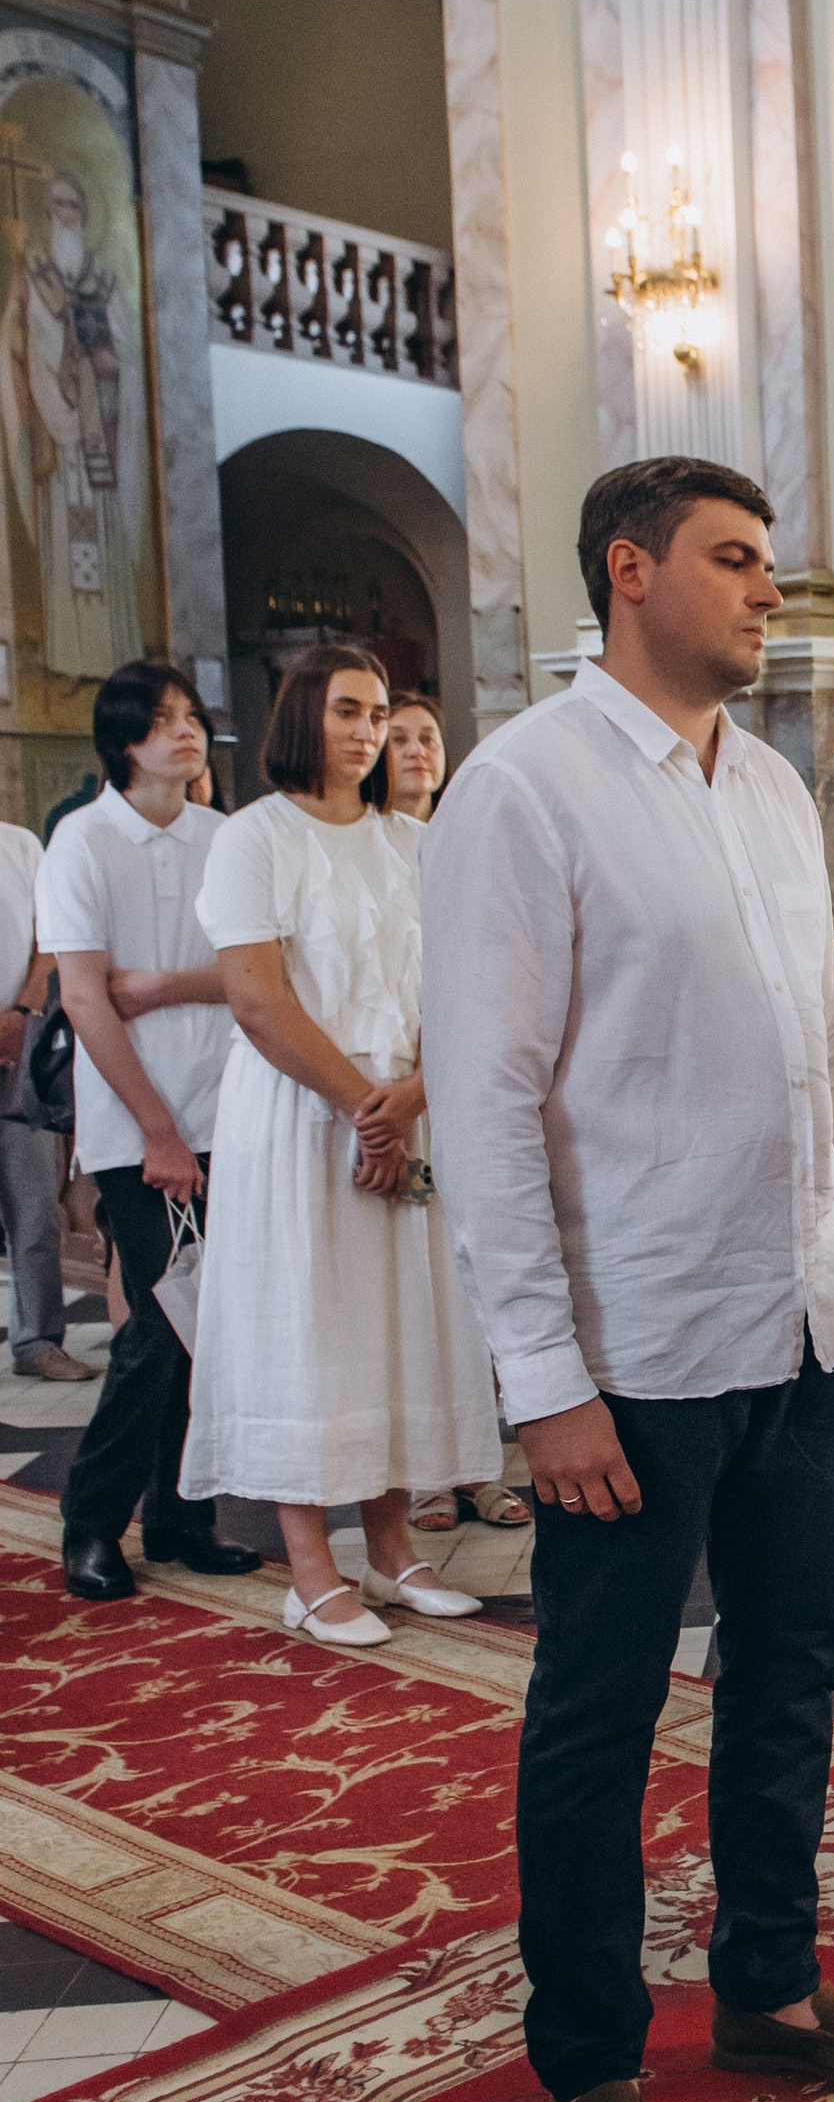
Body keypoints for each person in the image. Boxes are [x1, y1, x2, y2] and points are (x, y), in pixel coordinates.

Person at [423, 457, 834, 2102]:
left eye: (772, 564)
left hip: (792, 1317)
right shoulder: (527, 789)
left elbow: (831, 1052)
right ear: (628, 573)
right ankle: (587, 2063)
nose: (767, 591)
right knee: (599, 1710)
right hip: (635, 1339)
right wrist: (542, 1378)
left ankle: (772, 1986)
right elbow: (488, 1100)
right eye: (734, 562)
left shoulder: (778, 785)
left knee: (795, 1667)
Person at [177, 646, 500, 1645]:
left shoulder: (411, 839)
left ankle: (393, 1548)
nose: (367, 731)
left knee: (400, 1319)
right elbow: (256, 997)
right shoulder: (254, 837)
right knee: (311, 1322)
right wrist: (368, 1106)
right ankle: (310, 1566)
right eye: (347, 711)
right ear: (300, 719)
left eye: (376, 713)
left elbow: (461, 987)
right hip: (300, 1109)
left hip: (403, 1097)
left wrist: (409, 1097)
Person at [36, 660, 253, 1602]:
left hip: (233, 1110)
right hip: (137, 1129)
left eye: (192, 717)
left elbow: (254, 977)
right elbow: (85, 997)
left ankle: (179, 1517)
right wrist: (158, 1131)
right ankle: (92, 1521)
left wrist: (168, 984)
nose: (185, 732)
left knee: (218, 1329)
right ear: (124, 742)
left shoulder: (226, 837)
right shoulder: (82, 843)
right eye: (163, 721)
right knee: (159, 1332)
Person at [360, 690, 524, 1544]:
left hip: (451, 1083)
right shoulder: (366, 847)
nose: (418, 750)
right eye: (400, 736)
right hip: (383, 1090)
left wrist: (433, 1078)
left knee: (473, 1286)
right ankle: (426, 1472)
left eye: (430, 735)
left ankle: (479, 1463)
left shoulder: (457, 832)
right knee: (412, 1295)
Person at [0, 164, 146, 679]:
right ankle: (68, 658)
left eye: (72, 205)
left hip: (95, 431)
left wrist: (98, 359)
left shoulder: (104, 282)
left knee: (100, 536)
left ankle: (108, 657)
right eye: (56, 204)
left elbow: (126, 354)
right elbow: (15, 343)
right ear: (47, 213)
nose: (63, 214)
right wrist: (30, 355)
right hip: (56, 433)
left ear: (85, 215)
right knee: (64, 537)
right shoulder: (32, 272)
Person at [0, 811, 79, 1381]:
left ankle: (38, 1341)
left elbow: (50, 940)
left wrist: (22, 1015)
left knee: (34, 1208)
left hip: (16, 1050)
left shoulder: (20, 846)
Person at [364, 691, 446, 824]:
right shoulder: (356, 834)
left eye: (427, 739)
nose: (417, 751)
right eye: (399, 739)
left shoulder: (470, 827)